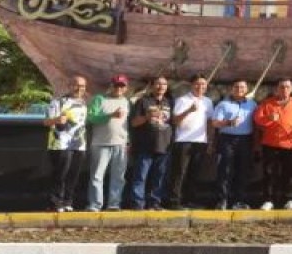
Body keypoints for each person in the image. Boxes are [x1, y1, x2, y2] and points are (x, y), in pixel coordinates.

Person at [254, 77, 292, 211]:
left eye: (287, 87)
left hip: (290, 144)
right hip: (270, 144)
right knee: (269, 173)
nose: (284, 89)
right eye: (282, 87)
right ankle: (268, 200)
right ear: (276, 89)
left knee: (289, 173)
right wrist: (269, 118)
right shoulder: (267, 103)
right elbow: (257, 119)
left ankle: (289, 199)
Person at [165, 75, 212, 210]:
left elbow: (209, 122)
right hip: (183, 141)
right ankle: (174, 201)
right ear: (191, 85)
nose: (200, 87)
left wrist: (210, 140)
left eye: (203, 85)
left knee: (195, 173)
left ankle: (190, 200)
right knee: (180, 172)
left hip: (200, 141)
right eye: (197, 84)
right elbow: (175, 121)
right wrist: (189, 110)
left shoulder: (208, 102)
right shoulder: (182, 100)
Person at [85, 74, 130, 211]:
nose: (118, 88)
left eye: (122, 86)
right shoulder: (99, 99)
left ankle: (114, 204)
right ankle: (95, 205)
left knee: (119, 176)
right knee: (97, 176)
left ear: (126, 88)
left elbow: (128, 124)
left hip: (121, 144)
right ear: (111, 86)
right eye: (116, 85)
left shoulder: (127, 102)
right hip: (100, 143)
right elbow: (91, 118)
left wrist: (128, 142)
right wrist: (110, 115)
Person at [44, 75, 89, 212]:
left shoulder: (84, 103)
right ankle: (55, 202)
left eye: (82, 86)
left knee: (73, 175)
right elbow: (46, 122)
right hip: (60, 144)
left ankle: (68, 202)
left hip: (79, 144)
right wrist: (57, 120)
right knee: (60, 174)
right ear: (70, 85)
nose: (79, 89)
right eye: (77, 85)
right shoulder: (58, 102)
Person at [209, 78, 256, 210]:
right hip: (227, 139)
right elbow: (214, 123)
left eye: (242, 87)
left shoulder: (252, 104)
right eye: (236, 87)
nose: (239, 90)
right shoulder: (223, 104)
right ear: (231, 89)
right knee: (224, 170)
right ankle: (222, 200)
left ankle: (239, 201)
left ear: (246, 90)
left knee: (243, 171)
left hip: (245, 140)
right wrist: (228, 122)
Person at [129, 76, 173, 210]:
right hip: (145, 146)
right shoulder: (143, 101)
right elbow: (134, 122)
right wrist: (147, 117)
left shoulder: (169, 102)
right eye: (158, 84)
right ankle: (137, 203)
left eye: (164, 84)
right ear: (152, 86)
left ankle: (154, 202)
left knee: (159, 177)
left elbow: (173, 122)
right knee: (140, 176)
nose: (161, 87)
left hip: (164, 145)